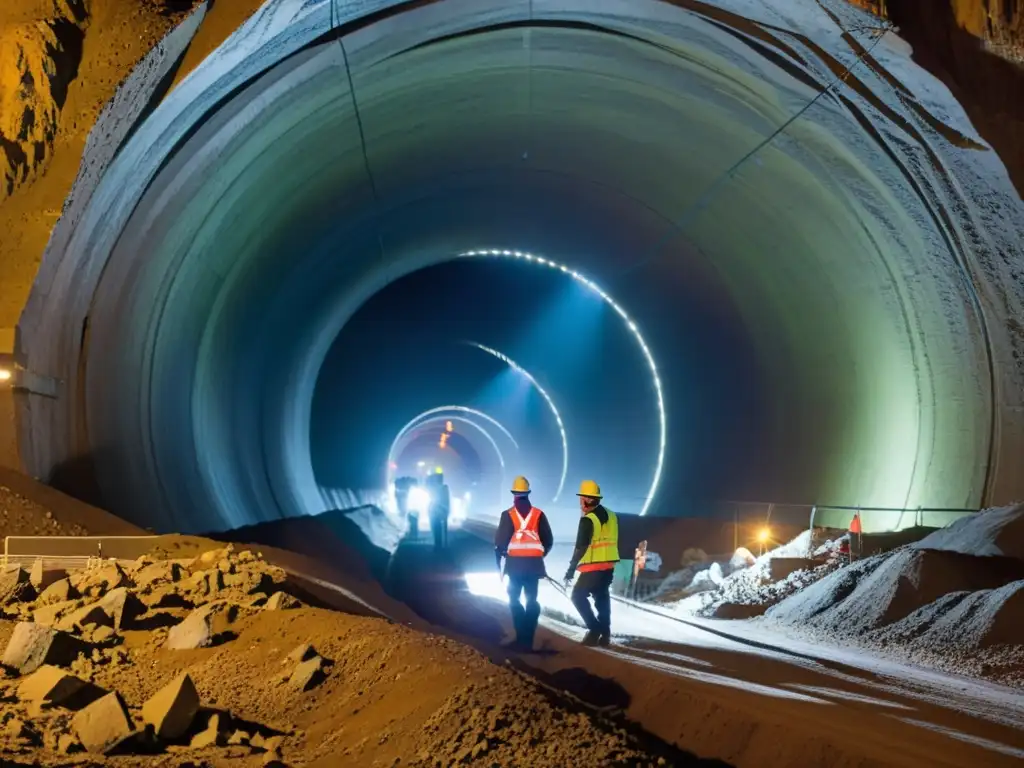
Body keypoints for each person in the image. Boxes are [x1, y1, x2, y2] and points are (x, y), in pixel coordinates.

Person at [494, 476, 553, 651]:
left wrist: (500, 562)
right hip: (534, 566)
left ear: (514, 495)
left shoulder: (508, 515)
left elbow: (500, 544)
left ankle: (521, 637)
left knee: (514, 600)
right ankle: (528, 637)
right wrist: (538, 556)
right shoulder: (539, 515)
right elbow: (548, 541)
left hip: (515, 567)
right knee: (532, 600)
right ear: (527, 494)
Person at [563, 480, 619, 647]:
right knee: (601, 597)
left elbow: (581, 547)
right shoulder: (611, 515)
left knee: (578, 596)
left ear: (587, 499)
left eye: (582, 498)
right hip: (608, 567)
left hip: (592, 567)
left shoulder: (588, 520)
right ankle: (605, 634)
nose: (580, 502)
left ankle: (594, 630)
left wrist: (570, 570)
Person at [427, 471, 451, 550]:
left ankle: (438, 545)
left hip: (437, 510)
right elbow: (447, 500)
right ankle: (442, 544)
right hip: (441, 509)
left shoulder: (436, 488)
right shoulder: (444, 487)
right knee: (441, 529)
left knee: (436, 528)